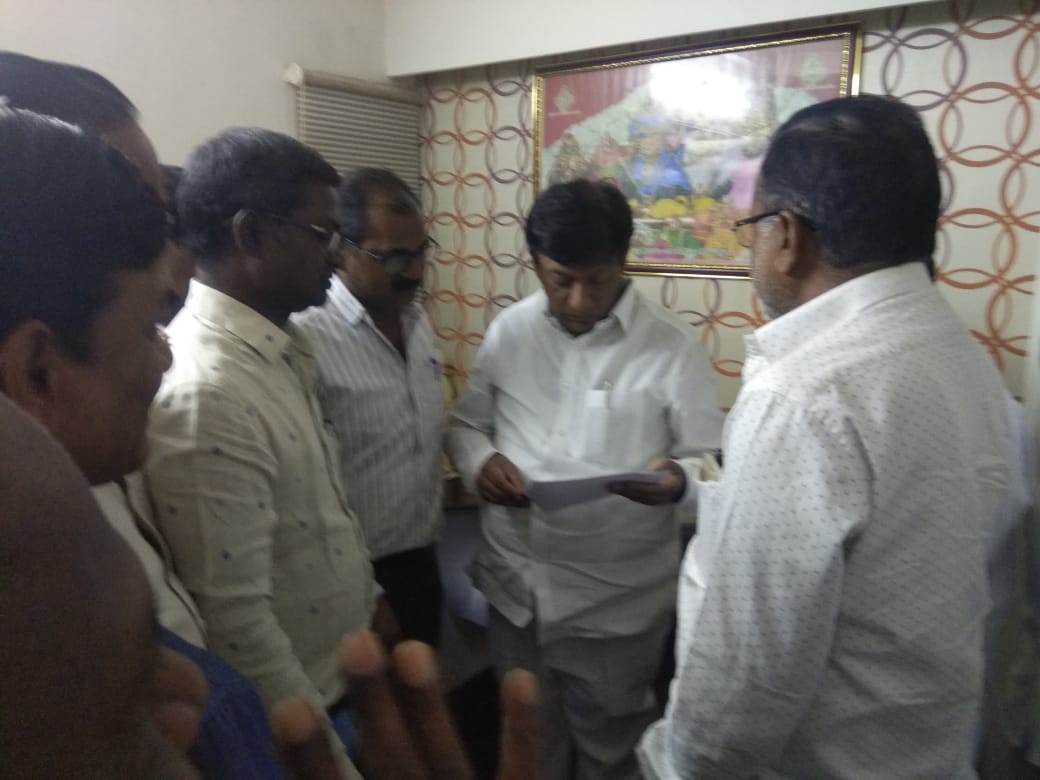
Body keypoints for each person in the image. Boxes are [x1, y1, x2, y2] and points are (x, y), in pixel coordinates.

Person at [638, 94, 1012, 778]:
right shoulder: (962, 359)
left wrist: (680, 764)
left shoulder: (806, 394)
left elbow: (745, 678)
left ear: (787, 236)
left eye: (753, 228)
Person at [445, 178, 723, 779]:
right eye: (559, 280)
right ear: (536, 264)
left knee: (611, 754)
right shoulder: (510, 331)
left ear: (622, 262)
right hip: (517, 594)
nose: (576, 299)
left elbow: (711, 467)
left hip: (615, 606)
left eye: (595, 281)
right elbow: (468, 425)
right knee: (526, 745)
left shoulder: (672, 346)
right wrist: (479, 462)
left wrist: (677, 483)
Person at [145, 126, 395, 773]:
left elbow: (313, 521)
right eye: (321, 234)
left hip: (347, 684)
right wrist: (327, 762)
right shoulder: (209, 391)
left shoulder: (280, 351)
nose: (337, 257)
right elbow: (237, 627)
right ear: (252, 234)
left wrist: (370, 605)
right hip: (304, 722)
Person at [295, 167, 445, 648]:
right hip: (350, 575)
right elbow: (305, 492)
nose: (415, 271)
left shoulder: (416, 320)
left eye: (421, 252)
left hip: (422, 560)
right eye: (394, 257)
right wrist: (368, 593)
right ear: (341, 250)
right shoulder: (306, 336)